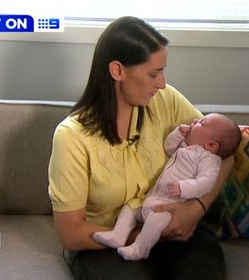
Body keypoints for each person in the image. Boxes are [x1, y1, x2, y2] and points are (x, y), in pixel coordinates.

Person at [48, 16, 234, 280]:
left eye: (163, 70)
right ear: (118, 71)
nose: (162, 83)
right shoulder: (72, 137)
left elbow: (224, 156)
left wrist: (194, 210)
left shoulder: (166, 100)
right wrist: (145, 235)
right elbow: (71, 233)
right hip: (106, 242)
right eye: (153, 73)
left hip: (178, 226)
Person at [94, 113, 241, 261]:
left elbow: (206, 182)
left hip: (170, 207)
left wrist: (183, 188)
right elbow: (168, 148)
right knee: (129, 208)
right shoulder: (185, 146)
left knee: (155, 221)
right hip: (153, 198)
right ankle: (118, 235)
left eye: (201, 123)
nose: (195, 120)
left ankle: (140, 248)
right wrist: (177, 134)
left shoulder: (209, 160)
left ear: (211, 145)